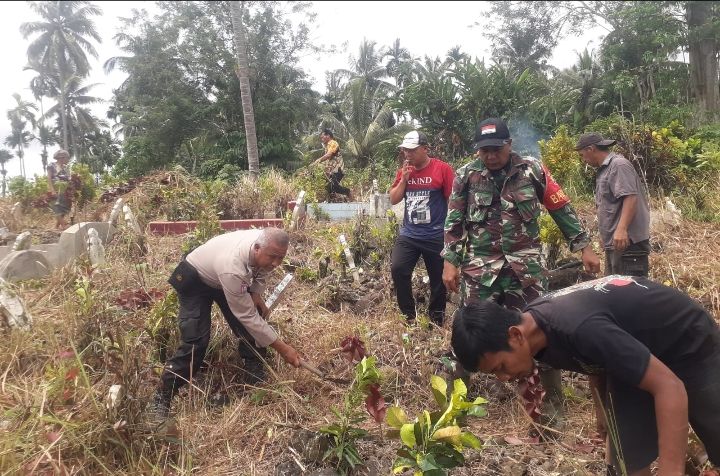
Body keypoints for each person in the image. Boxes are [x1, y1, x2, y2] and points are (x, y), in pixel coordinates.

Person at [451, 275, 720, 476]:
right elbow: (595, 357)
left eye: (500, 367)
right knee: (627, 458)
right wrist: (602, 411)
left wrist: (670, 470)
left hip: (688, 344)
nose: (504, 378)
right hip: (633, 354)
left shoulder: (575, 326)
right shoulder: (538, 333)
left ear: (515, 335)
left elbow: (670, 387)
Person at [442, 117, 601, 423]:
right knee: (467, 337)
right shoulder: (466, 175)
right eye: (484, 150)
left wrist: (584, 247)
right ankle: (454, 411)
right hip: (480, 270)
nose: (490, 155)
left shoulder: (533, 169)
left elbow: (560, 208)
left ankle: (551, 412)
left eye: (496, 149)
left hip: (525, 270)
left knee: (540, 336)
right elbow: (454, 222)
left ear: (509, 145)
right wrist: (450, 261)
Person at [151, 228, 301, 418]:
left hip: (222, 277)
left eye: (281, 258)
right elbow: (247, 317)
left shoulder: (264, 246)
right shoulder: (234, 266)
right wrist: (283, 348)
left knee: (254, 318)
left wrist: (255, 293)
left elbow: (263, 269)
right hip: (195, 279)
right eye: (273, 257)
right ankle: (162, 395)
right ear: (256, 248)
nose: (276, 263)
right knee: (196, 342)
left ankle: (254, 371)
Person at [389, 130, 454, 325]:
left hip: (435, 235)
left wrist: (452, 233)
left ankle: (436, 320)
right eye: (405, 151)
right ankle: (408, 317)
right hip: (410, 234)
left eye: (412, 150)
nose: (407, 154)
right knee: (398, 268)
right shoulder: (404, 171)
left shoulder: (442, 169)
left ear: (425, 149)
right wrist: (404, 180)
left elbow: (453, 201)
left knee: (438, 281)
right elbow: (393, 199)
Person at [576, 132, 651, 277]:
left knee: (629, 294)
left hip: (629, 244)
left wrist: (621, 229)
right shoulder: (604, 169)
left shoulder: (618, 165)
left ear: (591, 149)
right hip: (616, 243)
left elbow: (630, 197)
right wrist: (606, 237)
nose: (583, 159)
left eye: (582, 155)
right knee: (614, 292)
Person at [313, 128, 351, 199]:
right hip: (332, 171)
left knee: (332, 186)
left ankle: (347, 192)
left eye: (322, 136)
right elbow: (328, 161)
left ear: (328, 136)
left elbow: (328, 155)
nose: (322, 139)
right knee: (328, 188)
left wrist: (318, 160)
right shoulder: (327, 146)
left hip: (338, 170)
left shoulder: (333, 143)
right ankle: (336, 200)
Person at [47, 149, 72, 229]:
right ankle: (64, 225)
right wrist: (52, 189)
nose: (68, 160)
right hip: (56, 189)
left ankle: (56, 227)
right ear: (62, 158)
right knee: (57, 207)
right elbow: (49, 178)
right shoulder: (52, 165)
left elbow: (69, 178)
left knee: (64, 208)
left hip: (64, 190)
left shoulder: (65, 168)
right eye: (67, 158)